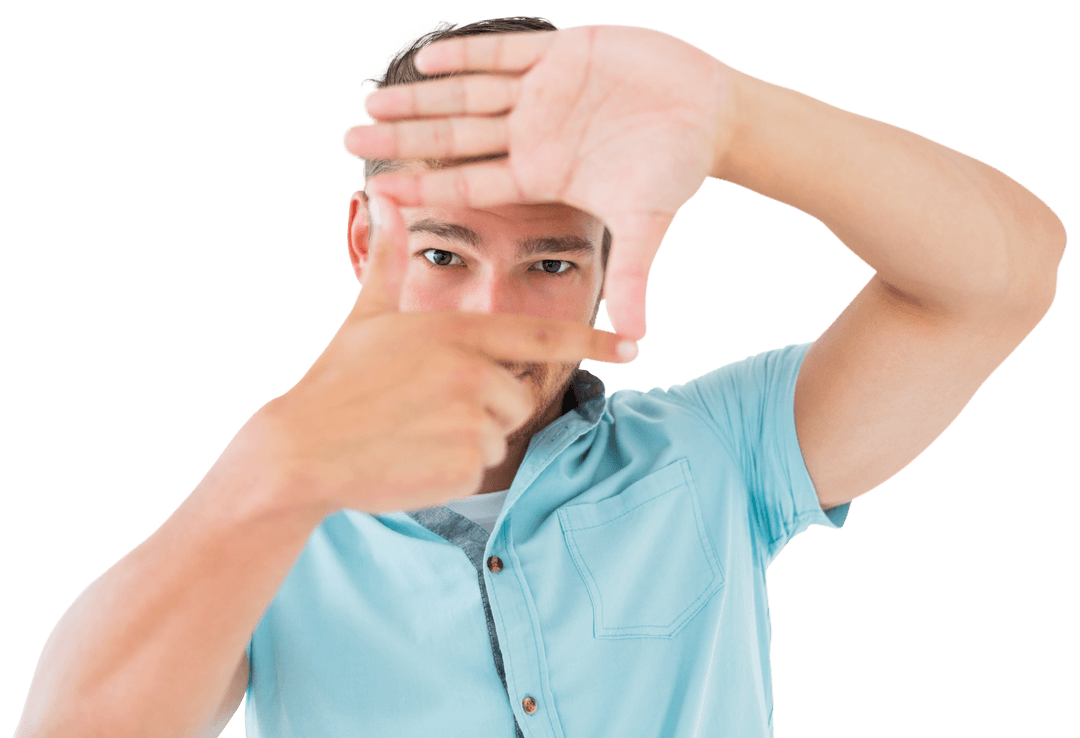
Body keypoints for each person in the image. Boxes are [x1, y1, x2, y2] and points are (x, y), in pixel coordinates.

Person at [13, 13, 1065, 738]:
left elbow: (1001, 280)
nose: (490, 314)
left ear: (608, 263)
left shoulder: (716, 453)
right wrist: (269, 473)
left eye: (552, 262)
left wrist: (739, 122)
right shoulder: (265, 525)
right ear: (359, 240)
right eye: (442, 254)